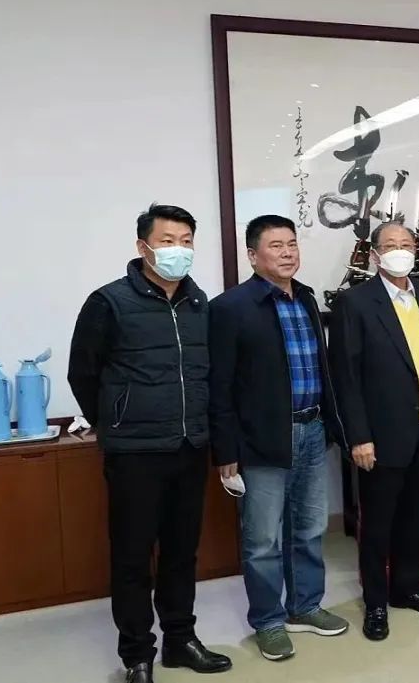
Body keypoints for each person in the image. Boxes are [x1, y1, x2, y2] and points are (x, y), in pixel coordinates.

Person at [68, 204, 231, 683]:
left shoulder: (199, 303)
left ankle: (181, 640)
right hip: (134, 453)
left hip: (189, 446)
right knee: (133, 556)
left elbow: (208, 373)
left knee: (182, 553)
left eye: (186, 241)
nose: (178, 250)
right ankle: (137, 654)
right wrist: (114, 422)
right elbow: (83, 373)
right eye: (167, 241)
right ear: (143, 247)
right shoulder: (109, 302)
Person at [208, 215, 350, 662]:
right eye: (275, 246)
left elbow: (321, 369)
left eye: (292, 244)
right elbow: (219, 386)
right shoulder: (230, 307)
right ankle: (268, 622)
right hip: (261, 439)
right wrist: (226, 449)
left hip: (312, 429)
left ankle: (304, 607)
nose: (287, 253)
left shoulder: (305, 298)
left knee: (308, 528)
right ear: (253, 256)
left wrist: (332, 426)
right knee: (263, 540)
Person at [328, 222, 419, 642]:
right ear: (374, 255)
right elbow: (346, 376)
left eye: (406, 244)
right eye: (390, 245)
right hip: (380, 432)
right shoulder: (355, 302)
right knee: (378, 523)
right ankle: (375, 602)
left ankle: (408, 588)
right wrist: (358, 436)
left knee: (416, 514)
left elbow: (417, 356)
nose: (399, 251)